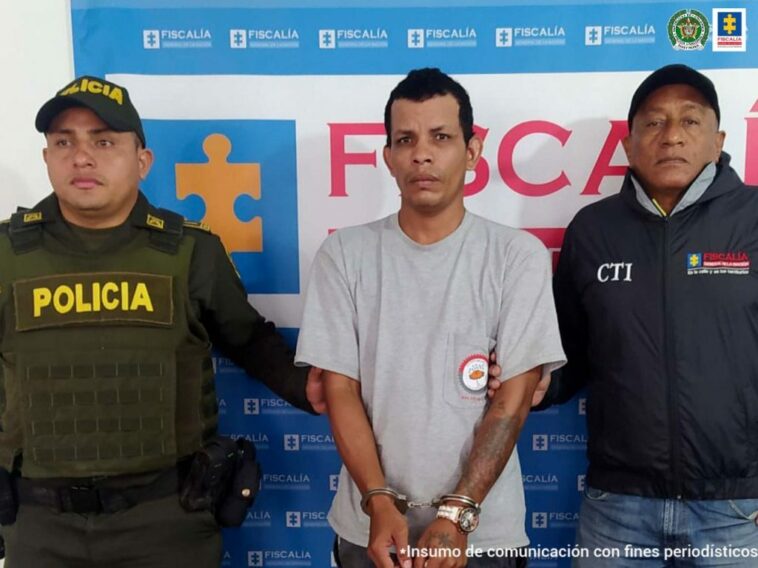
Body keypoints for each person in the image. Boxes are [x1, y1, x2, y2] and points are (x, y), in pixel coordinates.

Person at [0, 75, 323, 568]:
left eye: (104, 141)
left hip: (166, 523)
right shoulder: (6, 253)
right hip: (40, 526)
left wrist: (320, 390)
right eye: (64, 142)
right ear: (46, 158)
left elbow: (252, 343)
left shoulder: (190, 251)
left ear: (142, 161)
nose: (81, 157)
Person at [296, 68, 565, 568]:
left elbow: (514, 398)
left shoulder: (516, 256)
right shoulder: (343, 254)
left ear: (472, 151)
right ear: (388, 157)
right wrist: (377, 500)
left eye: (441, 137)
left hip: (485, 534)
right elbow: (339, 389)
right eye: (406, 139)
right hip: (369, 530)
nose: (422, 153)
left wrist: (459, 512)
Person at [541, 64, 758, 565]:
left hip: (736, 509)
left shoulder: (751, 219)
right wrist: (535, 383)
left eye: (690, 121)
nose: (672, 137)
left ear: (719, 138)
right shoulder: (593, 231)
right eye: (654, 123)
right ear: (628, 143)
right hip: (617, 508)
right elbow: (569, 355)